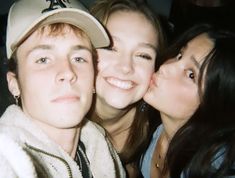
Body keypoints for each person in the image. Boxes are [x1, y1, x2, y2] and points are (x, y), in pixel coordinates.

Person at [0, 0, 126, 177]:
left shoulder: (102, 148)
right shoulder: (8, 155)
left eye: (79, 58)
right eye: (43, 59)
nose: (67, 72)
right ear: (14, 84)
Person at [140, 23, 235, 178]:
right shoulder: (154, 128)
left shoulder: (216, 169)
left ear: (214, 104)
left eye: (191, 74)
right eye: (179, 55)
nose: (166, 67)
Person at [87, 0, 166, 177]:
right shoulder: (55, 117)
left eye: (143, 55)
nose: (125, 67)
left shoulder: (158, 130)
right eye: (111, 48)